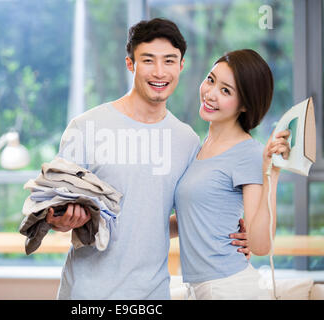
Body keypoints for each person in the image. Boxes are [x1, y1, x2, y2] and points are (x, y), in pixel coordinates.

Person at [44, 18, 248, 300]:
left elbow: (169, 218)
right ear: (131, 64)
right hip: (87, 293)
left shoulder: (186, 141)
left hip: (152, 294)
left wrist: (228, 231)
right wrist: (62, 221)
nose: (160, 72)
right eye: (148, 60)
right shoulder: (87, 127)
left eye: (169, 60)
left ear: (181, 66)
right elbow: (49, 210)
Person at [171, 49, 291, 300]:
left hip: (229, 288)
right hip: (201, 288)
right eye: (211, 80)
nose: (211, 93)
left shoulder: (249, 153)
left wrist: (272, 173)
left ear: (245, 104)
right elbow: (190, 220)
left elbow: (260, 245)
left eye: (226, 91)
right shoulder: (197, 147)